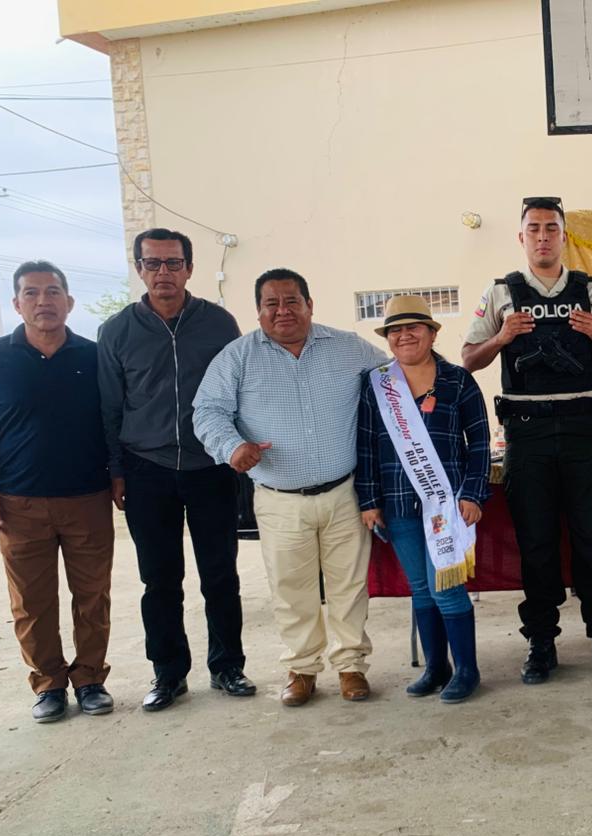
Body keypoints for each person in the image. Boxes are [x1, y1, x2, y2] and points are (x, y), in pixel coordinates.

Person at [461, 196, 592, 684]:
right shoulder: (500, 293)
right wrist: (502, 338)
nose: (543, 237)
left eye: (551, 228)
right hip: (528, 432)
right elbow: (469, 359)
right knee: (536, 544)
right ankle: (541, 642)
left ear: (563, 235)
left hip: (585, 431)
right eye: (534, 229)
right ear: (522, 237)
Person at [193, 268, 387, 706]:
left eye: (292, 301)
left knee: (349, 586)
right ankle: (302, 669)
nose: (283, 311)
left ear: (309, 305)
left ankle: (351, 666)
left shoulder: (348, 347)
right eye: (272, 304)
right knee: (290, 589)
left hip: (344, 493)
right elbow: (207, 411)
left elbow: (395, 376)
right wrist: (231, 446)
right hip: (279, 499)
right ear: (258, 311)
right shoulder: (237, 357)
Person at [97, 227, 252, 713]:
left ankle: (228, 667)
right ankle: (168, 674)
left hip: (211, 468)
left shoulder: (219, 323)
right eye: (153, 263)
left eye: (173, 262)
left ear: (189, 268)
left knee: (220, 574)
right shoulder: (117, 331)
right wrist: (116, 471)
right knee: (159, 580)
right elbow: (110, 409)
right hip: (147, 469)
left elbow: (239, 392)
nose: (163, 272)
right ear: (139, 269)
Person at [0, 262, 114, 722]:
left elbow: (112, 422)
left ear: (69, 302)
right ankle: (49, 685)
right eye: (32, 292)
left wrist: (118, 476)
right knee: (32, 603)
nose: (44, 301)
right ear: (16, 303)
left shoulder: (95, 356)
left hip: (88, 498)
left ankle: (90, 679)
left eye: (53, 291)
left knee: (92, 597)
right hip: (18, 502)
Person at [356, 294, 490, 702]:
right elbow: (365, 446)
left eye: (413, 327)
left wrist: (473, 493)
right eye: (395, 330)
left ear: (432, 333)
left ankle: (466, 670)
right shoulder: (376, 384)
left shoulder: (458, 380)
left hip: (446, 506)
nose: (404, 335)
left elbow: (480, 442)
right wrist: (368, 501)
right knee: (420, 588)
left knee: (445, 587)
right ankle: (436, 668)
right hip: (397, 503)